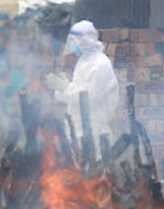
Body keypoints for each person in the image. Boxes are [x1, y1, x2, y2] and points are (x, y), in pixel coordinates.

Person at [45, 20, 119, 157]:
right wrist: (62, 88)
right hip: (77, 128)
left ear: (85, 41)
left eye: (75, 41)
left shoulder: (101, 64)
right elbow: (77, 92)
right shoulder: (84, 61)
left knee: (92, 175)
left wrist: (66, 88)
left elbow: (90, 99)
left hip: (94, 132)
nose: (73, 45)